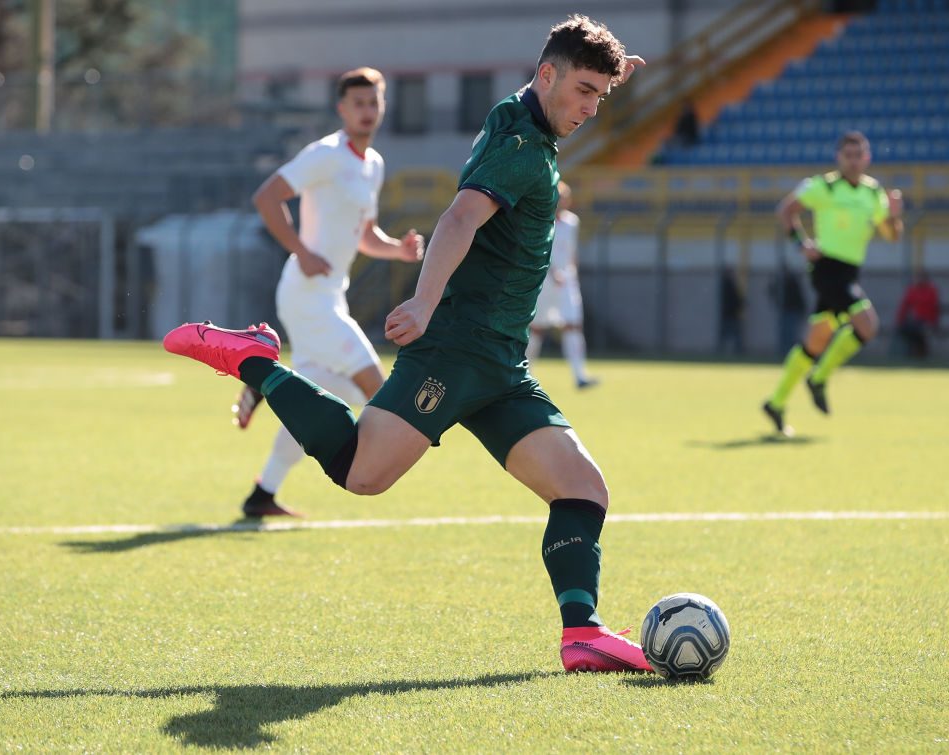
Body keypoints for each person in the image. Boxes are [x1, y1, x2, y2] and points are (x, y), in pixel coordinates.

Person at [165, 15, 650, 673]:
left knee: (583, 489)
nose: (591, 109)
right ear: (546, 75)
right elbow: (458, 217)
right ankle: (252, 359)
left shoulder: (524, 115)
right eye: (584, 91)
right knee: (362, 474)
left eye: (601, 95)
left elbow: (554, 89)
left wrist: (605, 70)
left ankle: (582, 633)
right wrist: (423, 301)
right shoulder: (519, 146)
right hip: (454, 350)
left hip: (501, 364)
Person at [234, 67, 424, 518]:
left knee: (326, 397)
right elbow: (267, 196)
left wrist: (397, 250)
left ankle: (263, 492)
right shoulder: (324, 154)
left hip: (329, 295)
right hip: (306, 295)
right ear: (342, 110)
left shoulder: (372, 165)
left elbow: (364, 233)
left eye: (373, 103)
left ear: (382, 108)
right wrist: (299, 249)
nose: (366, 111)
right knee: (376, 383)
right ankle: (365, 474)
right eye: (357, 103)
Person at [763, 130, 903, 435]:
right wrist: (801, 243)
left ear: (867, 157)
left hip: (850, 272)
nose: (853, 161)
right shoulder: (822, 186)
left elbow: (892, 236)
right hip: (826, 269)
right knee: (867, 324)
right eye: (848, 155)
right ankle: (819, 377)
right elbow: (786, 211)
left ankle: (775, 402)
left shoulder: (873, 193)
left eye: (859, 155)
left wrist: (894, 217)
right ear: (839, 157)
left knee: (816, 341)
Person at [525, 180, 597, 388]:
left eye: (565, 198)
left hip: (567, 281)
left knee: (572, 325)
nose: (561, 202)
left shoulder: (571, 222)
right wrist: (550, 271)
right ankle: (525, 373)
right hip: (545, 281)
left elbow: (571, 252)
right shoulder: (540, 222)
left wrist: (573, 273)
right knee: (536, 328)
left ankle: (580, 375)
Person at [894, 271, 940, 358]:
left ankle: (921, 353)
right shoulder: (913, 290)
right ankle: (915, 353)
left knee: (920, 330)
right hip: (917, 321)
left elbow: (936, 308)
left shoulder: (931, 290)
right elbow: (904, 306)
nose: (920, 280)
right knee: (907, 329)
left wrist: (935, 323)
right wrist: (899, 320)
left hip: (927, 322)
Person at [717, 266, 745, 355]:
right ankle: (726, 350)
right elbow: (734, 299)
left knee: (731, 334)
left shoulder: (728, 284)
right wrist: (739, 305)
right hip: (729, 314)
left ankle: (729, 350)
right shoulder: (727, 285)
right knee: (731, 334)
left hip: (730, 314)